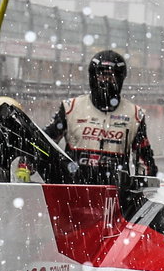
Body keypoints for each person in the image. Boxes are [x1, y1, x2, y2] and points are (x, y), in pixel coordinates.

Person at [45, 49, 157, 184]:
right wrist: (26, 166)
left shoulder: (135, 115)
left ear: (120, 79)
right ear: (93, 76)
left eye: (111, 77)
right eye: (102, 75)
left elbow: (145, 162)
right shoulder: (71, 107)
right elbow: (45, 142)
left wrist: (142, 188)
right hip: (73, 189)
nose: (106, 81)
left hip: (114, 193)